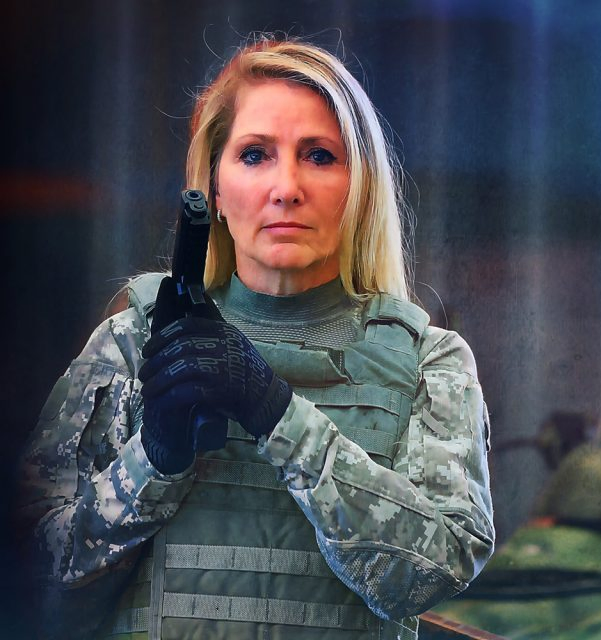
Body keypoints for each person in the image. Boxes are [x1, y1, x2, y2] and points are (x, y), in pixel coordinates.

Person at [18, 37, 494, 640]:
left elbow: (436, 573)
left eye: (319, 155)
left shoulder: (428, 363)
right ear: (214, 190)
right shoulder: (134, 343)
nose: (287, 187)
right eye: (254, 155)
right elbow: (32, 591)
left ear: (360, 187)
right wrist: (153, 460)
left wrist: (276, 412)